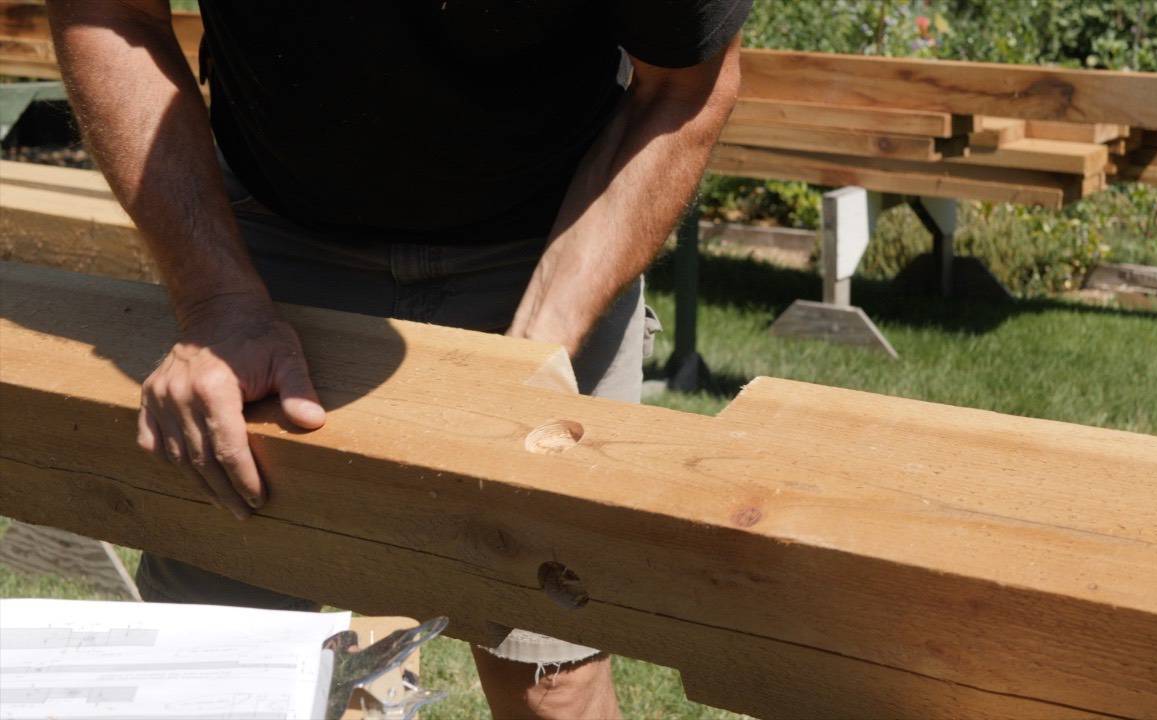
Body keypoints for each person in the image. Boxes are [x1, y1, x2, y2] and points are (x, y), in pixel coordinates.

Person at [47, 1, 751, 717]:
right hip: (270, 232)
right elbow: (109, 13)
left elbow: (684, 87)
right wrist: (218, 302)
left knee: (550, 674)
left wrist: (536, 351)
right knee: (218, 659)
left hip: (557, 234)